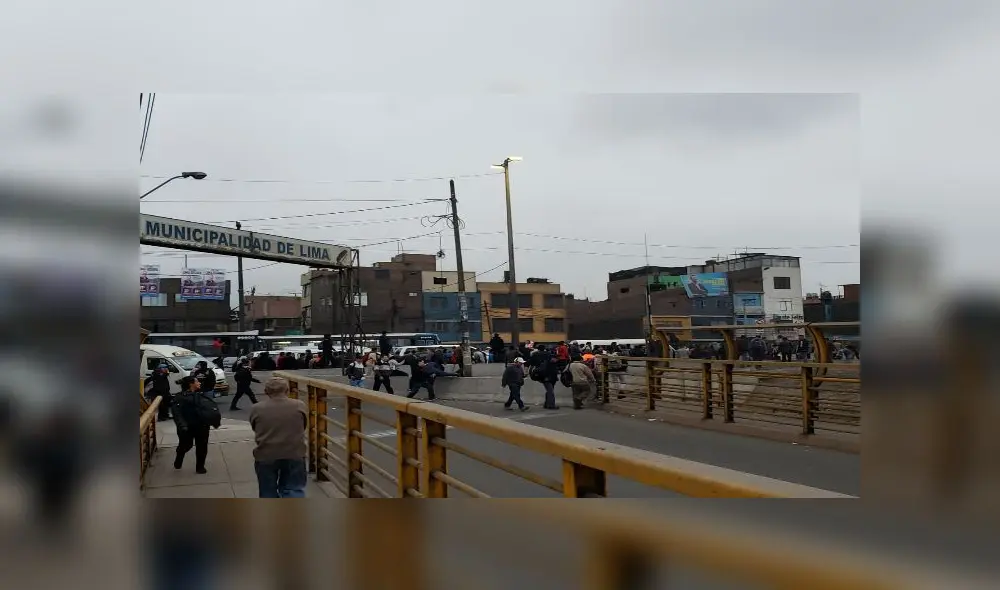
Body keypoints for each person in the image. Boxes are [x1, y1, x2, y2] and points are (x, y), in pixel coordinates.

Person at [249, 377, 309, 498]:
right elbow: (303, 426)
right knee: (294, 489)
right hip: (294, 453)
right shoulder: (299, 405)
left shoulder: (256, 408)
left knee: (267, 491)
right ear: (287, 390)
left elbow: (255, 427)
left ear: (266, 391)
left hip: (266, 454)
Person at [172, 375, 221, 474]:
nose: (199, 383)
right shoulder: (180, 397)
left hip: (202, 426)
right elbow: (177, 413)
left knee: (202, 447)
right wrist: (182, 425)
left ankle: (200, 467)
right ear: (191, 384)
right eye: (197, 381)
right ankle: (179, 457)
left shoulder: (201, 395)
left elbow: (210, 408)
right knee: (186, 445)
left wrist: (213, 420)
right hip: (187, 427)